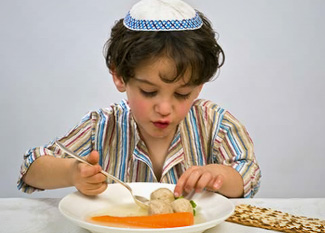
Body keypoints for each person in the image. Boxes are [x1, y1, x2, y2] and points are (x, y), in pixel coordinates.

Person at [18, 0, 261, 198]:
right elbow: (31, 169)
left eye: (182, 93)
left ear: (199, 87)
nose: (165, 108)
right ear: (119, 76)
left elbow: (248, 174)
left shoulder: (216, 125)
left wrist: (216, 175)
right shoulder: (102, 127)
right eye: (148, 91)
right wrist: (72, 173)